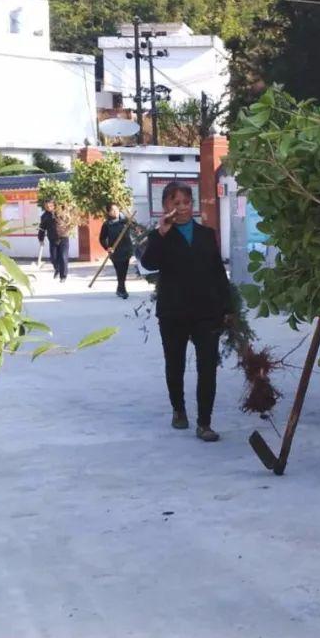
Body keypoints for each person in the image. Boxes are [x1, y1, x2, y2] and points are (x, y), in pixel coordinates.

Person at [140, 181, 231, 442]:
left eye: (186, 202)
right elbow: (148, 263)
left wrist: (227, 308)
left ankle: (205, 423)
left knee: (207, 368)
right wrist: (161, 233)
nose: (181, 208)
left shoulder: (206, 234)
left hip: (206, 312)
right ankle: (178, 409)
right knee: (175, 364)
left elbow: (217, 272)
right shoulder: (161, 235)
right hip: (173, 312)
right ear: (165, 207)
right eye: (175, 203)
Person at [99, 203, 134, 299]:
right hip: (115, 251)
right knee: (120, 270)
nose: (116, 212)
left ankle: (120, 288)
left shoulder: (125, 221)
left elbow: (135, 228)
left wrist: (136, 228)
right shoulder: (107, 224)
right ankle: (122, 289)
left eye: (117, 209)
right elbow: (102, 238)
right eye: (113, 210)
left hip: (126, 249)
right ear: (109, 212)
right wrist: (107, 248)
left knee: (124, 270)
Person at [37, 200, 71, 282]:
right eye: (47, 207)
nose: (49, 208)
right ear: (45, 207)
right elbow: (42, 229)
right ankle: (57, 269)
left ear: (54, 205)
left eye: (50, 206)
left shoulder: (60, 213)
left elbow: (68, 221)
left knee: (63, 257)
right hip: (53, 239)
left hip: (63, 238)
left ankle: (63, 276)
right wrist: (41, 239)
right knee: (53, 258)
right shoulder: (44, 216)